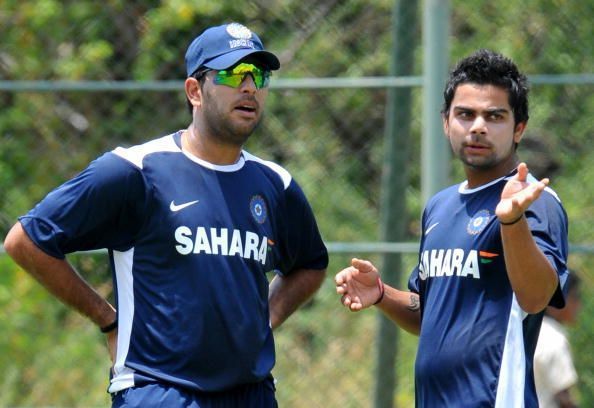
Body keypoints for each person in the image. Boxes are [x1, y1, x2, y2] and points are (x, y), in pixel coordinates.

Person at [3, 22, 328, 407]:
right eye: (232, 73)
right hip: (160, 391)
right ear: (194, 91)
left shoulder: (276, 184)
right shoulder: (135, 171)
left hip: (251, 394)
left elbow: (309, 264)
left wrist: (265, 320)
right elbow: (26, 241)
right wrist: (108, 319)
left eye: (258, 75)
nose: (249, 87)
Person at [335, 49, 569, 407]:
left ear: (518, 128)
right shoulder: (440, 206)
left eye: (494, 116)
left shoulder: (533, 199)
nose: (478, 126)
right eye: (465, 114)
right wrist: (382, 294)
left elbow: (536, 298)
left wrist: (511, 220)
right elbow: (429, 312)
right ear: (446, 122)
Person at [534, 272, 581, 408]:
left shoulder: (528, 330)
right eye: (575, 296)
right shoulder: (555, 339)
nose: (579, 304)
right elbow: (563, 397)